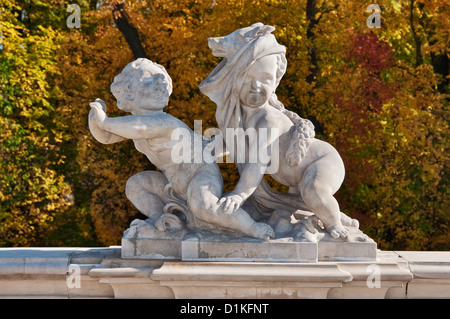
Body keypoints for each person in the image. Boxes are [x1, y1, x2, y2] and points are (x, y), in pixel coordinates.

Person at [200, 24, 358, 238]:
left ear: (274, 81)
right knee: (305, 199)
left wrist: (238, 195)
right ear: (233, 79)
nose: (256, 85)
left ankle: (335, 225)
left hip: (321, 161)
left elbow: (256, 164)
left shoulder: (268, 119)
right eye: (248, 78)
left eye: (265, 79)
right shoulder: (241, 118)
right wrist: (202, 153)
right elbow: (231, 141)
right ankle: (329, 214)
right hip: (294, 178)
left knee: (314, 193)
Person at [89, 58, 274, 239]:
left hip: (199, 174)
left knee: (206, 207)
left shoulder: (165, 122)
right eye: (150, 78)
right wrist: (95, 121)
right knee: (136, 185)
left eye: (161, 77)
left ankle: (252, 227)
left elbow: (136, 126)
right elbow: (106, 137)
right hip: (172, 184)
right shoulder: (132, 126)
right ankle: (160, 219)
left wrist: (105, 121)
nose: (159, 81)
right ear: (129, 93)